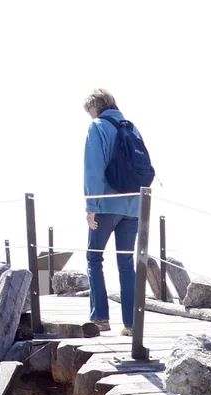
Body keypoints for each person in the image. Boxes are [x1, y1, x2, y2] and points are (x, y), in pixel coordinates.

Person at [82, 89, 148, 335]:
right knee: (126, 262)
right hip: (132, 206)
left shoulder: (97, 127)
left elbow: (93, 169)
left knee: (94, 258)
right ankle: (131, 324)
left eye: (89, 112)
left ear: (95, 107)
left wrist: (91, 206)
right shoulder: (132, 127)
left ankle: (100, 318)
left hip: (106, 205)